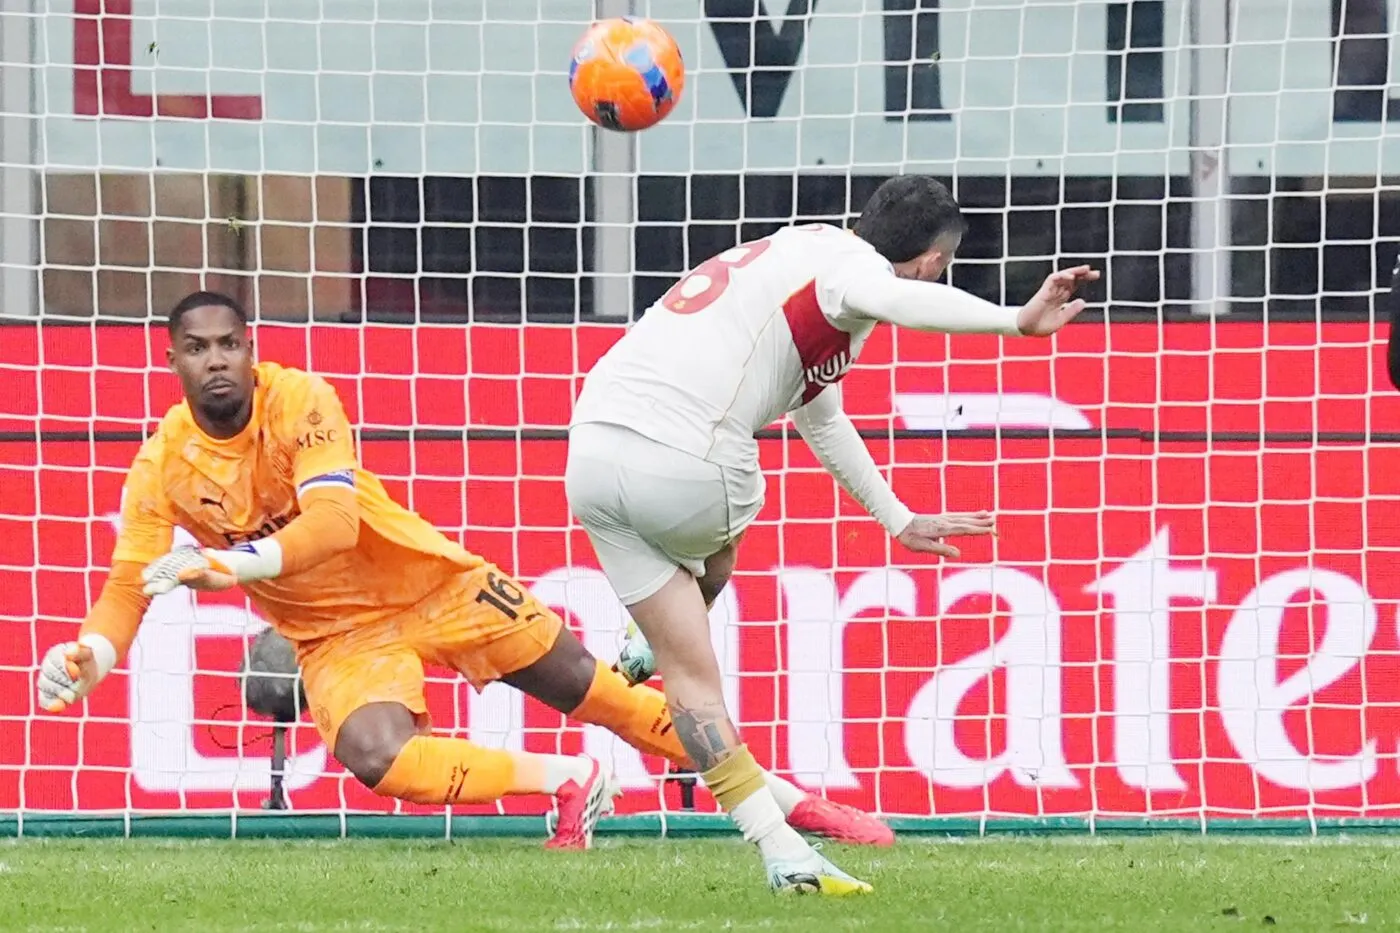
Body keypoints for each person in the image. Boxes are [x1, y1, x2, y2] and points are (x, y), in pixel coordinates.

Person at [34, 291, 895, 851]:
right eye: (197, 347)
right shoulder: (161, 466)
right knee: (376, 757)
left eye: (230, 343)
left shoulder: (302, 400)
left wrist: (237, 563)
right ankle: (567, 780)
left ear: (251, 348)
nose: (216, 359)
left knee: (594, 690)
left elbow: (332, 522)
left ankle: (791, 803)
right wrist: (92, 656)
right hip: (336, 636)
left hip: (432, 582)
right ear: (173, 359)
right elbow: (126, 586)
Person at [567, 175, 1099, 893]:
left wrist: (897, 517)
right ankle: (664, 651)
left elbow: (821, 417)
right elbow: (898, 299)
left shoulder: (799, 249)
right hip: (687, 458)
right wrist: (1016, 321)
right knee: (729, 514)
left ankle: (783, 850)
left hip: (589, 453)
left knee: (688, 671)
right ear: (934, 259)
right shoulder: (861, 275)